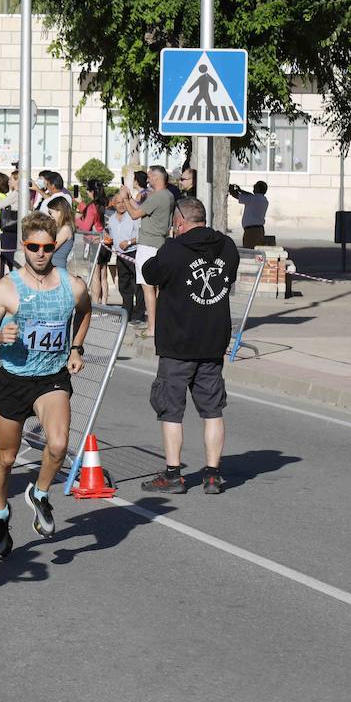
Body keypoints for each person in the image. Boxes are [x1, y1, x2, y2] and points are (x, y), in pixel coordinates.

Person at [0, 212, 92, 559]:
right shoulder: (7, 288)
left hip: (52, 378)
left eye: (47, 247)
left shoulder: (72, 286)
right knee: (7, 457)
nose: (40, 253)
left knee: (58, 446)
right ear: (23, 246)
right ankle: (0, 513)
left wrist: (75, 347)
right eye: (33, 247)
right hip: (14, 379)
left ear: (55, 247)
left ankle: (39, 494)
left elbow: (84, 311)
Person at [139, 197, 239, 494]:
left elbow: (149, 273)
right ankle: (212, 474)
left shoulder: (173, 249)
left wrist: (169, 246)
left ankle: (173, 475)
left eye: (174, 222)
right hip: (212, 341)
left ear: (180, 222)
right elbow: (228, 277)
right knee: (212, 410)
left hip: (177, 343)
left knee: (171, 410)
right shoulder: (227, 246)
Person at [120, 166, 174, 336]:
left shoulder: (158, 196)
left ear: (157, 178)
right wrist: (130, 198)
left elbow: (135, 214)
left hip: (149, 245)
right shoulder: (168, 196)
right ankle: (156, 324)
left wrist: (125, 199)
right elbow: (144, 209)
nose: (147, 179)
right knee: (156, 288)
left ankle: (152, 327)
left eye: (150, 176)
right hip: (159, 243)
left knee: (148, 287)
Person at [105, 191, 142, 320]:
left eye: (123, 202)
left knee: (138, 285)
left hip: (134, 253)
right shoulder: (112, 220)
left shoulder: (133, 217)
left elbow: (141, 236)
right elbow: (110, 235)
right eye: (118, 202)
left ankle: (139, 315)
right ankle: (126, 313)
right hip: (121, 256)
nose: (121, 205)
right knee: (124, 285)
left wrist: (129, 242)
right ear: (114, 204)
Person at [229, 180, 269, 248]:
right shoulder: (264, 200)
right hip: (259, 229)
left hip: (251, 231)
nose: (253, 186)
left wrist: (230, 189)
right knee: (257, 251)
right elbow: (250, 195)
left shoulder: (252, 199)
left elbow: (236, 195)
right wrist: (241, 190)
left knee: (250, 251)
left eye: (256, 185)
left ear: (258, 188)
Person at [46, 197, 76, 269]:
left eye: (51, 212)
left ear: (59, 212)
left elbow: (52, 247)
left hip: (56, 267)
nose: (50, 216)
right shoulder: (60, 227)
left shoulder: (65, 229)